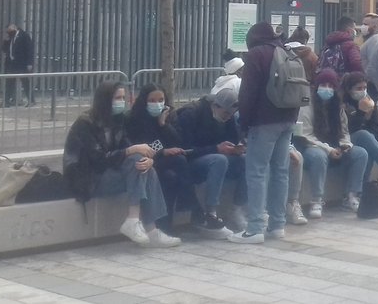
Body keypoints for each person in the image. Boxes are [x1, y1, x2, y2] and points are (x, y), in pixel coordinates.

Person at [62, 81, 180, 248]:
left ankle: (148, 228)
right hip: (88, 178)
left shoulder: (121, 120)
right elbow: (99, 159)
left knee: (150, 168)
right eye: (118, 97)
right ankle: (141, 223)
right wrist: (141, 151)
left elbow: (171, 141)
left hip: (122, 169)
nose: (157, 104)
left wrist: (162, 128)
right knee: (146, 166)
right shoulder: (90, 123)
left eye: (124, 97)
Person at [229, 22, 299, 244]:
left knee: (257, 172)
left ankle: (255, 227)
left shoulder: (256, 55)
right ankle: (277, 225)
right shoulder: (287, 51)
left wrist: (244, 124)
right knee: (280, 172)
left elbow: (248, 93)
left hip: (263, 121)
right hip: (288, 118)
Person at [295, 69, 369, 216]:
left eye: (331, 85)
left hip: (336, 146)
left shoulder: (338, 106)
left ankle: (351, 195)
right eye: (323, 84)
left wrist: (345, 144)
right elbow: (306, 135)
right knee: (318, 156)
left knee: (360, 153)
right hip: (312, 146)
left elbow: (344, 131)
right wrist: (328, 150)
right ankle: (317, 199)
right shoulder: (307, 105)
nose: (327, 88)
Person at [174, 86, 244, 238]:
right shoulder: (192, 114)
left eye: (230, 115)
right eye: (225, 113)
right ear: (215, 106)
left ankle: (237, 208)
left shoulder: (228, 117)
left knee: (246, 161)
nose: (227, 117)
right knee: (218, 160)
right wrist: (216, 148)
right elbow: (184, 151)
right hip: (191, 161)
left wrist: (236, 148)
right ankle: (209, 214)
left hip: (214, 156)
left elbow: (232, 139)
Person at [125, 83, 193, 233]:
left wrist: (163, 124)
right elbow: (143, 145)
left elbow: (178, 141)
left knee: (171, 176)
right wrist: (163, 151)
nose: (157, 104)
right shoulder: (135, 118)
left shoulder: (168, 115)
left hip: (163, 162)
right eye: (152, 101)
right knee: (179, 162)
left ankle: (166, 225)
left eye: (160, 100)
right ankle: (192, 207)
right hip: (145, 162)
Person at [0, 23, 35, 107]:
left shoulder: (24, 36)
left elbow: (30, 49)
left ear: (14, 27)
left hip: (22, 63)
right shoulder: (11, 37)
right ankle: (6, 101)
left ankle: (31, 100)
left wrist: (29, 63)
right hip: (13, 63)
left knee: (25, 82)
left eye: (9, 29)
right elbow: (4, 50)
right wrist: (6, 40)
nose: (8, 32)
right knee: (9, 82)